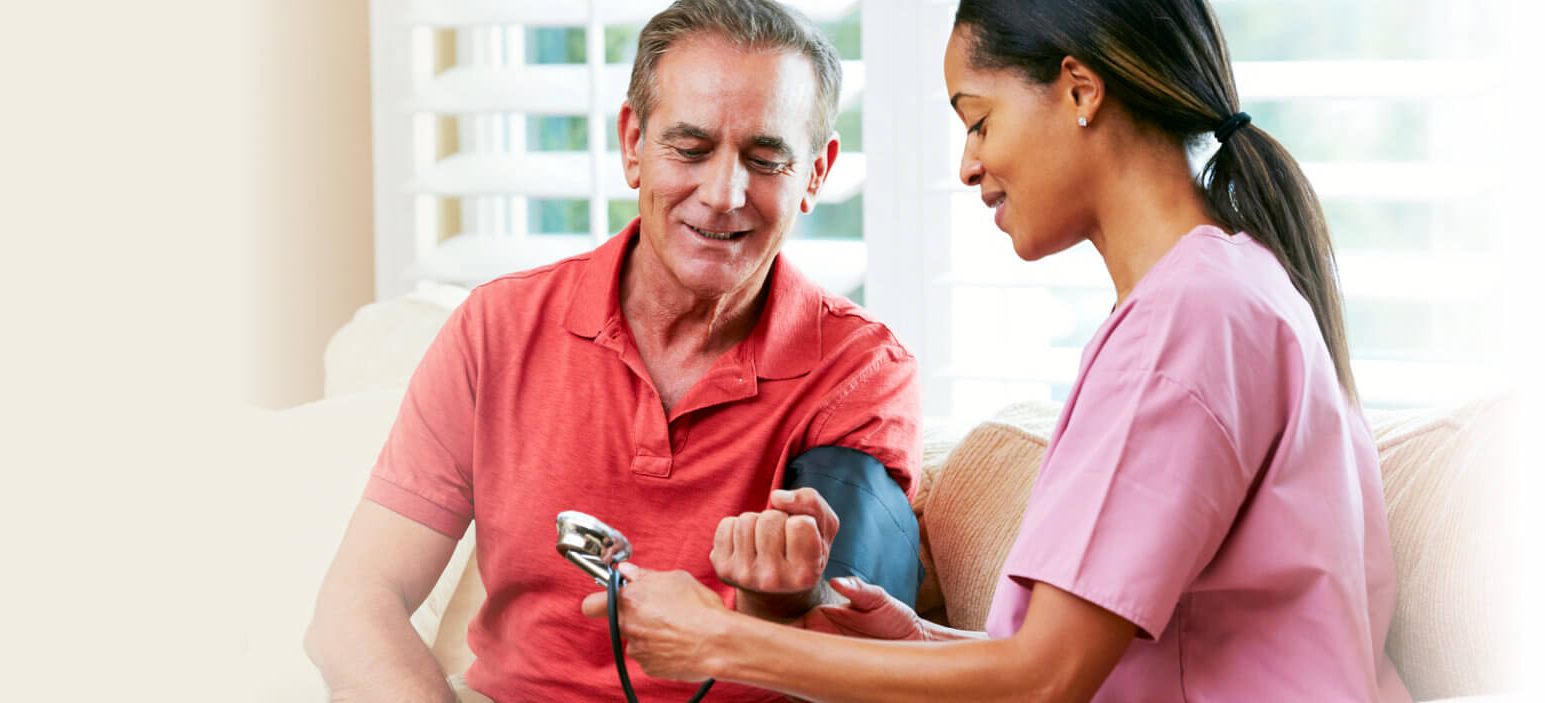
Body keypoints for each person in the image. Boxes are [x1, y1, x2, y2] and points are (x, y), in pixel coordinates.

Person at [583, 0, 1414, 700]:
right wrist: (916, 642)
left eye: (979, 120)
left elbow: (1045, 680)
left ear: (1079, 90)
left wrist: (721, 641)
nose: (969, 163)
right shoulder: (1222, 289)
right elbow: (1085, 658)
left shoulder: (1191, 319)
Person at [304, 2, 925, 701]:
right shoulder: (498, 328)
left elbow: (870, 668)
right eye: (689, 149)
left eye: (766, 158)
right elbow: (354, 608)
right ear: (633, 143)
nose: (723, 195)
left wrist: (776, 609)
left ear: (816, 173)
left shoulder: (860, 371)